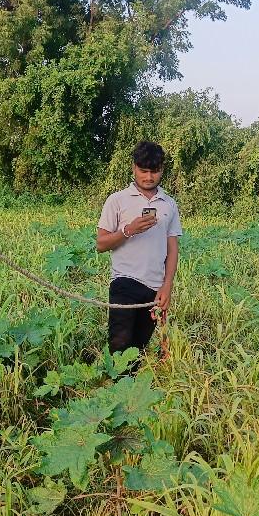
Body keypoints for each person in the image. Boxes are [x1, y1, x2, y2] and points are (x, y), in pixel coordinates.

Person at [96, 141, 182, 363]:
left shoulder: (169, 204)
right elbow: (101, 244)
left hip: (154, 287)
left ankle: (131, 394)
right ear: (134, 168)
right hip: (124, 281)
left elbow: (172, 247)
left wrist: (167, 285)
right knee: (120, 345)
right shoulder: (117, 200)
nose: (149, 177)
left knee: (138, 349)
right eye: (143, 171)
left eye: (154, 171)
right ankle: (117, 394)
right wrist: (129, 230)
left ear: (162, 170)